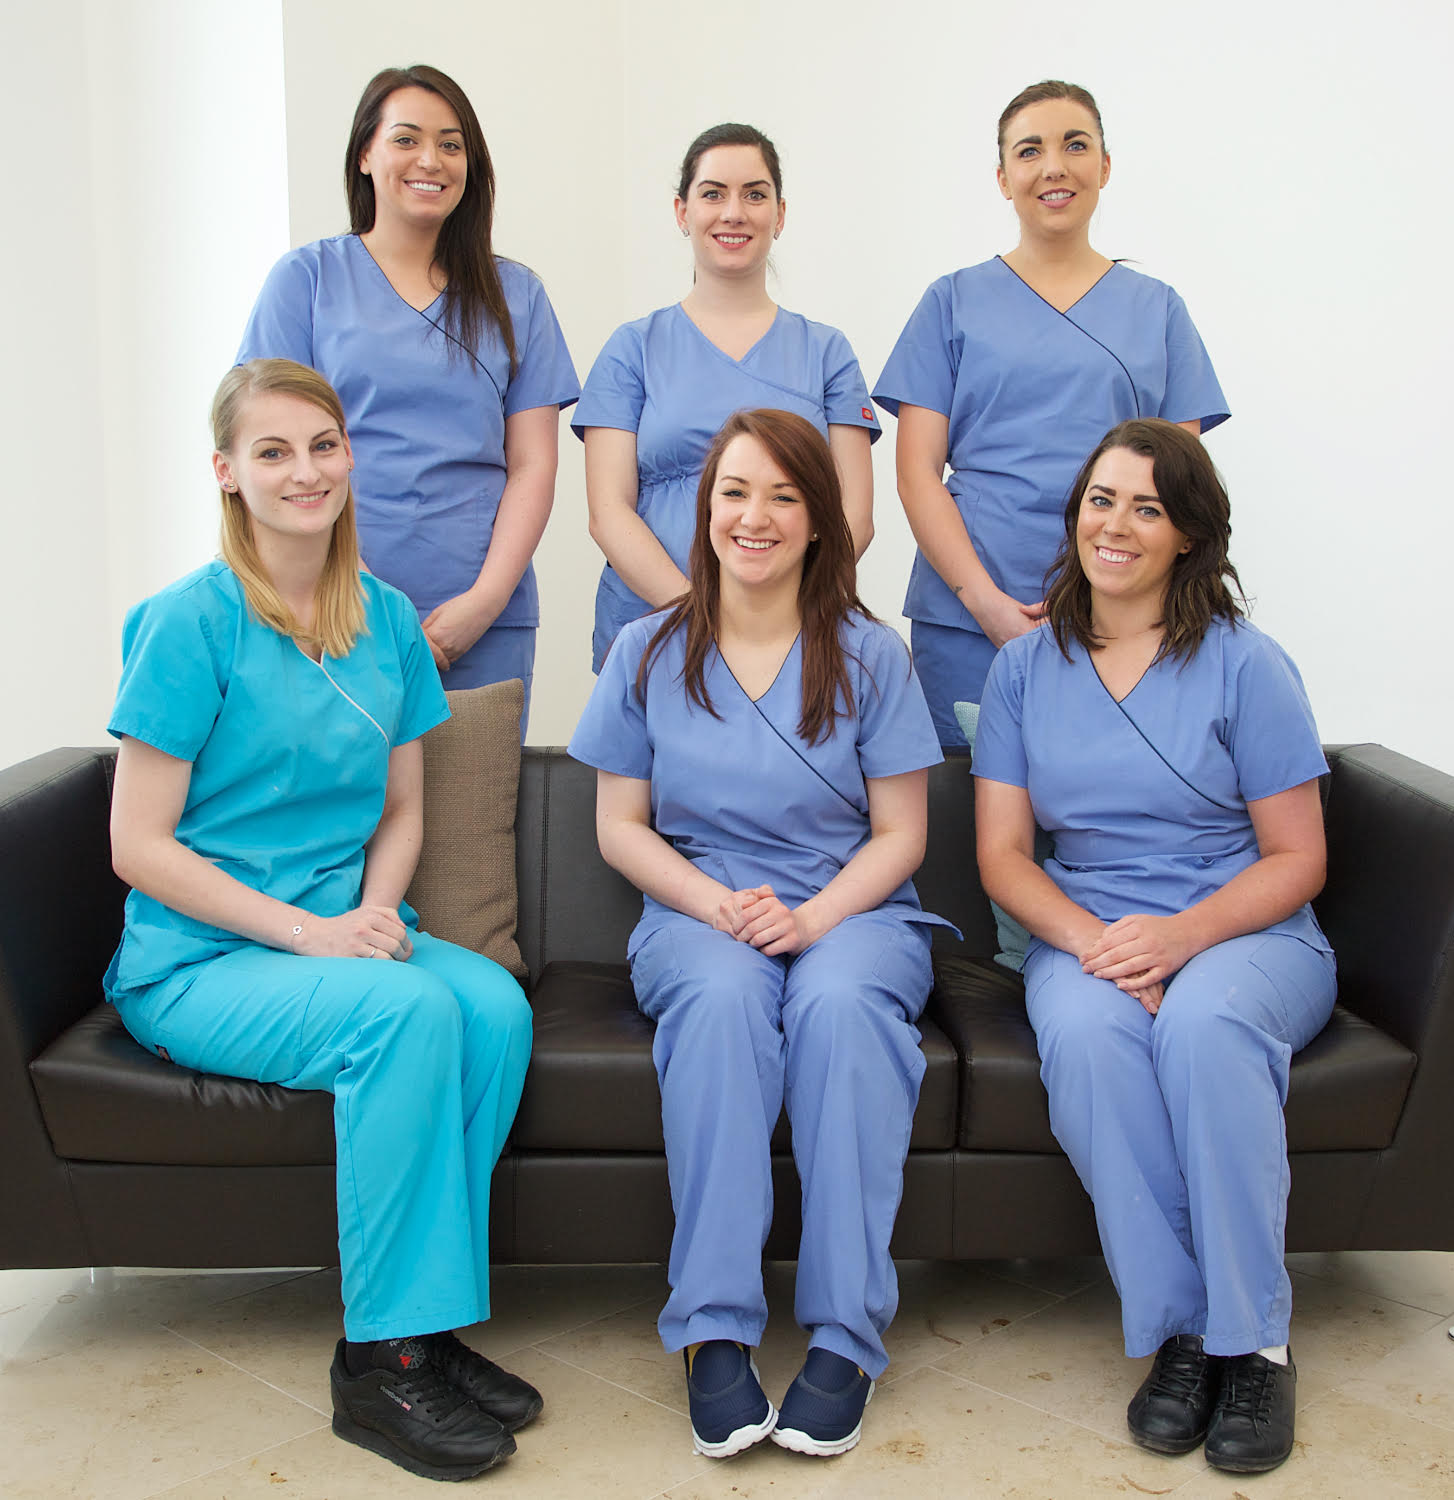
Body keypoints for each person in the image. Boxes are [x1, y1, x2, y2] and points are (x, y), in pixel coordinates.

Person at [104, 359, 538, 1483]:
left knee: (490, 1007)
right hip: (201, 959)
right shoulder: (186, 623)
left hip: (338, 930)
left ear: (351, 458)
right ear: (228, 473)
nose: (306, 471)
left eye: (324, 445)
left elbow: (403, 807)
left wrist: (376, 911)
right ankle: (380, 1363)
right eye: (274, 451)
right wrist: (314, 937)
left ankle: (429, 1323)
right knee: (401, 1018)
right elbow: (137, 845)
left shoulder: (385, 619)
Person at [569, 409, 951, 1458]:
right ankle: (713, 1332)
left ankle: (844, 1335)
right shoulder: (647, 650)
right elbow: (617, 825)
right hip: (700, 909)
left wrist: (815, 917)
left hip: (851, 909)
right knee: (728, 1000)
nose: (755, 515)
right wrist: (715, 906)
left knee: (835, 1008)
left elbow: (901, 832)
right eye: (734, 492)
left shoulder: (870, 656)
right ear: (704, 512)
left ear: (820, 522)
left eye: (784, 495)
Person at [973, 419, 1336, 1475]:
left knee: (1205, 1027)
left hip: (1243, 930)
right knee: (1086, 1043)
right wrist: (1099, 945)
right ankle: (1182, 1335)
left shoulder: (1245, 665)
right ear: (1072, 512)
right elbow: (1002, 855)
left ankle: (1254, 1343)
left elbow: (1295, 857)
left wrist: (1179, 939)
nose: (1115, 526)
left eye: (1145, 506)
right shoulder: (1023, 670)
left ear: (1186, 534)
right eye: (1099, 499)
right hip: (1088, 934)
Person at [875, 80, 1229, 748]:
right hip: (971, 611)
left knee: (1109, 806)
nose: (1054, 166)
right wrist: (986, 605)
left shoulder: (1157, 310)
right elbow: (916, 473)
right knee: (969, 818)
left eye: (1075, 145)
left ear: (1105, 165)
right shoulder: (951, 302)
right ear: (1004, 178)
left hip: (1125, 610)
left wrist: (1124, 608)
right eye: (1030, 150)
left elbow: (1185, 487)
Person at [238, 64, 579, 729]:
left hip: (484, 614)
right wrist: (360, 595)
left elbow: (534, 464)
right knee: (338, 809)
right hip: (330, 600)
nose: (431, 160)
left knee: (471, 820)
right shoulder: (305, 282)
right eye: (406, 139)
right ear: (365, 154)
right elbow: (270, 450)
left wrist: (485, 601)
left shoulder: (518, 296)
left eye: (452, 144)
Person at [574, 122, 879, 672]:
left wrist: (768, 618)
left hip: (791, 635)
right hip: (653, 628)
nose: (733, 212)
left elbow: (855, 512)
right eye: (712, 193)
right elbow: (607, 510)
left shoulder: (827, 352)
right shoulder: (632, 349)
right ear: (681, 212)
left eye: (754, 195)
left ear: (779, 215)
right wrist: (699, 616)